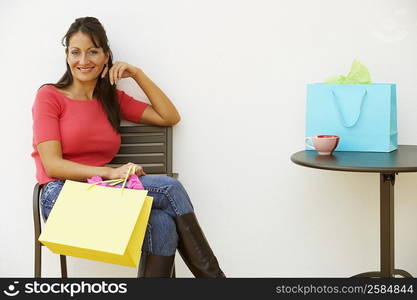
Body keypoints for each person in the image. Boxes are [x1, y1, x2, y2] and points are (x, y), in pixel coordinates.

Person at [31, 16, 225, 278]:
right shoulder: (50, 96)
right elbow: (52, 165)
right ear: (66, 55)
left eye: (93, 52)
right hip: (61, 197)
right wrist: (110, 171)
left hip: (101, 191)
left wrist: (137, 74)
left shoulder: (111, 99)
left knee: (162, 224)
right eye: (75, 52)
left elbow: (169, 116)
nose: (83, 60)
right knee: (170, 189)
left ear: (106, 56)